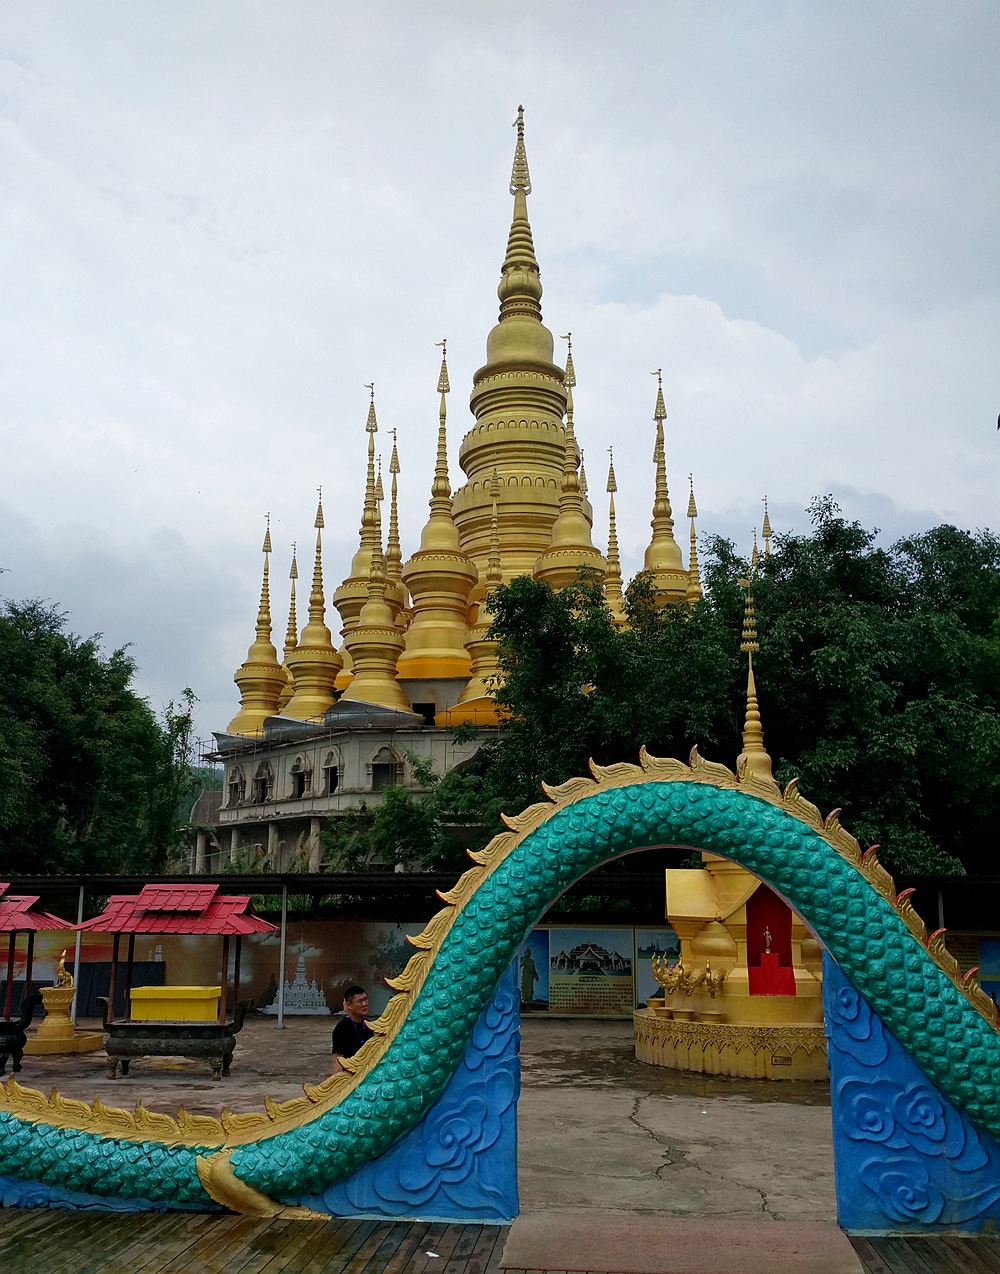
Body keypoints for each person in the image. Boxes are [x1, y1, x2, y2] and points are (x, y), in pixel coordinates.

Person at [331, 985, 374, 1071]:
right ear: (349, 1005)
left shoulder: (369, 1025)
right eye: (360, 1001)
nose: (364, 1004)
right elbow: (337, 1060)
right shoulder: (341, 1028)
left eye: (365, 999)